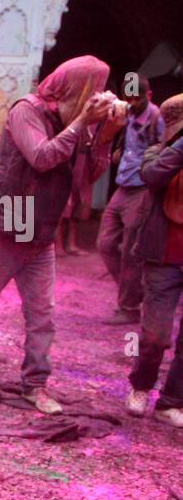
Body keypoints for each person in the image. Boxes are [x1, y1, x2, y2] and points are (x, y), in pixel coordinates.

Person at [0, 56, 125, 415]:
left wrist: (105, 136)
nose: (100, 94)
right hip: (10, 220)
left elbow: (85, 177)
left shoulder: (75, 119)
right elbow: (43, 157)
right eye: (95, 87)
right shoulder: (27, 110)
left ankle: (35, 385)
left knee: (43, 315)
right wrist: (82, 123)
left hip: (42, 228)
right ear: (77, 87)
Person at [125, 93, 183, 428]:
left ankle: (171, 401)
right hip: (163, 258)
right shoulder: (156, 154)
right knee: (155, 336)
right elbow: (151, 177)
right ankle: (141, 386)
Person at [97, 79, 164, 324]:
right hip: (122, 186)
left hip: (141, 188)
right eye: (130, 98)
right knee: (105, 244)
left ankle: (128, 307)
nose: (133, 103)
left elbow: (166, 149)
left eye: (138, 98)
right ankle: (137, 293)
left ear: (149, 94)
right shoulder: (124, 113)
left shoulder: (157, 117)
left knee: (130, 251)